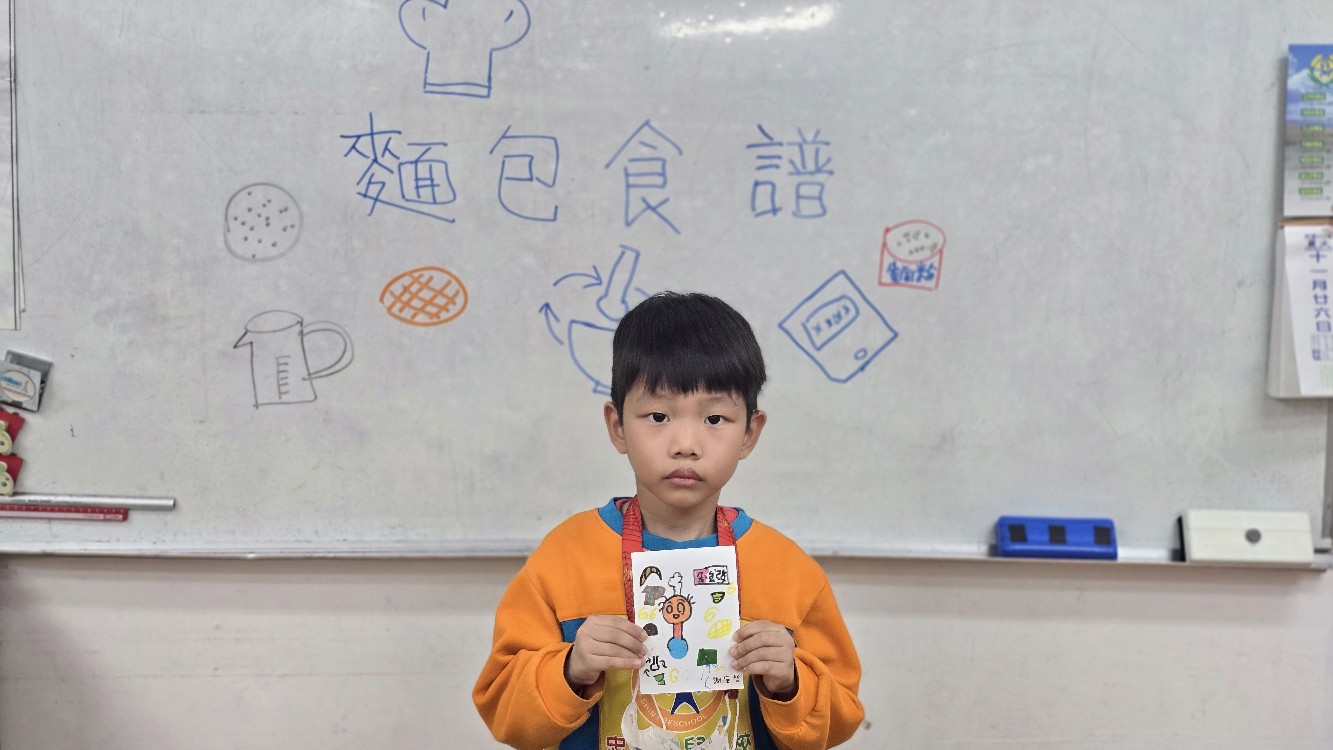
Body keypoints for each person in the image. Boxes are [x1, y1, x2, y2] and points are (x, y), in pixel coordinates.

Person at [474, 292, 863, 750]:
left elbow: (839, 718)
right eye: (658, 416)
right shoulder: (564, 558)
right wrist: (570, 669)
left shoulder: (788, 571)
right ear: (618, 426)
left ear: (749, 433)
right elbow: (504, 714)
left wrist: (791, 682)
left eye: (715, 418)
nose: (685, 444)